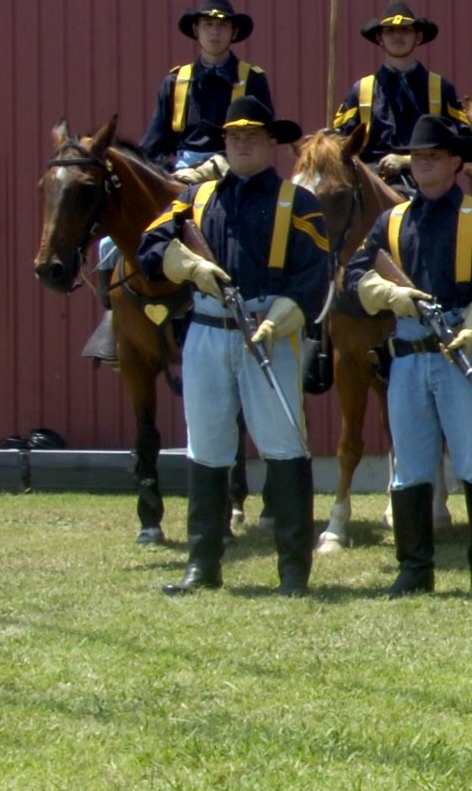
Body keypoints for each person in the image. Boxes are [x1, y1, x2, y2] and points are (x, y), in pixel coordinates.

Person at [138, 95, 331, 595]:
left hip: (271, 331)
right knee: (206, 445)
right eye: (233, 136)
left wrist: (281, 319)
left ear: (271, 143)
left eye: (252, 136)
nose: (242, 143)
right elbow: (150, 247)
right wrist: (187, 265)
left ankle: (292, 570)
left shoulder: (298, 202)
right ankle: (202, 565)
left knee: (284, 444)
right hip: (206, 328)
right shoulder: (195, 199)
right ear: (224, 144)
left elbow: (315, 275)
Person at [346, 115, 472, 595]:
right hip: (408, 352)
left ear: (456, 162)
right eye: (418, 158)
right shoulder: (391, 220)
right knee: (412, 467)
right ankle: (414, 569)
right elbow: (356, 277)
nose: (424, 167)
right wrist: (388, 294)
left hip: (465, 348)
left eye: (434, 157)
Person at [330, 3, 472, 176]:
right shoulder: (360, 91)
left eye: (405, 30)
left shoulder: (441, 89)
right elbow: (341, 144)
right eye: (390, 31)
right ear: (380, 39)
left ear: (418, 37)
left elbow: (463, 143)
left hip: (427, 186)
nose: (397, 36)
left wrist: (408, 161)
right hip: (372, 185)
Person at [142, 0, 273, 176]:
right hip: (184, 175)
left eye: (223, 25)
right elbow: (153, 146)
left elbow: (264, 139)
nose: (215, 32)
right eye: (208, 24)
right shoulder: (174, 82)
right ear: (196, 30)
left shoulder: (253, 80)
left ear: (234, 32)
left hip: (236, 174)